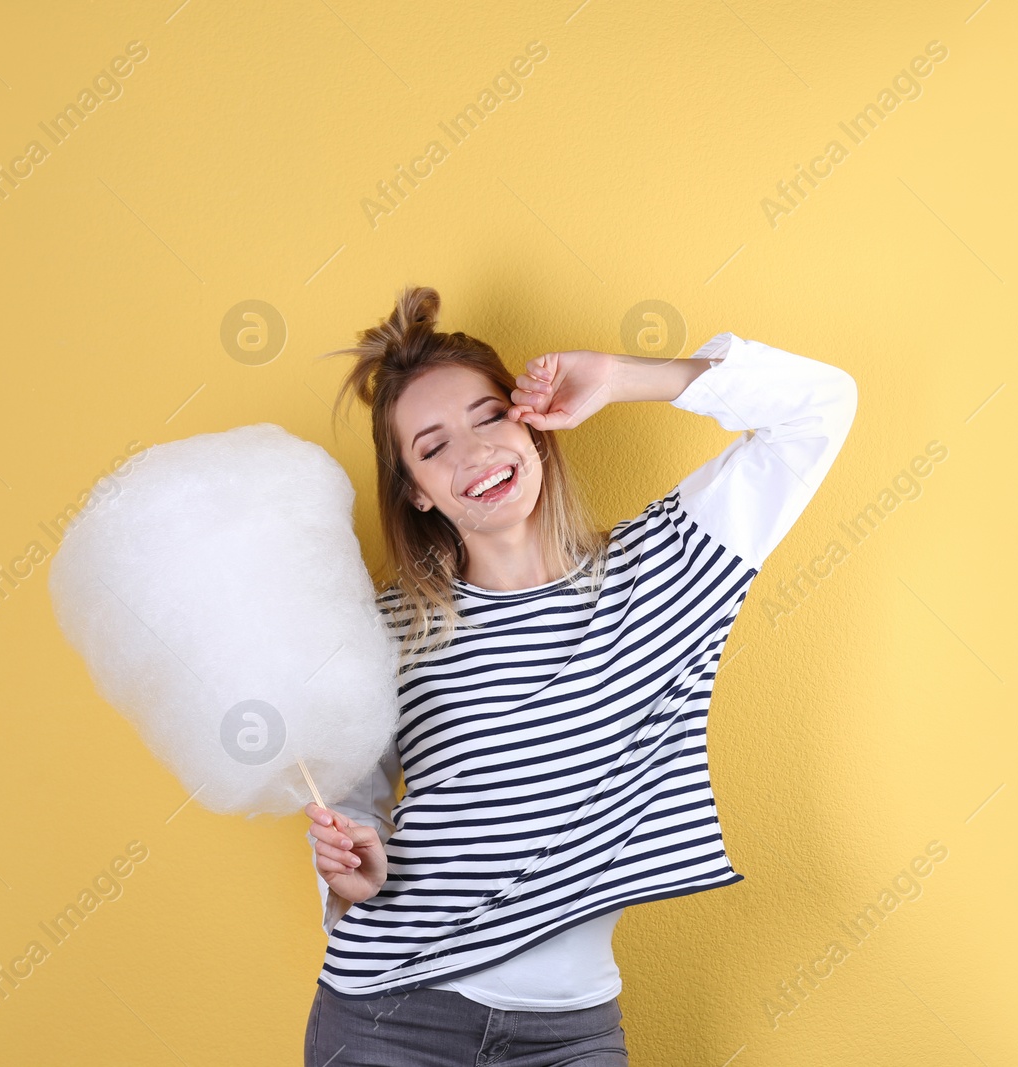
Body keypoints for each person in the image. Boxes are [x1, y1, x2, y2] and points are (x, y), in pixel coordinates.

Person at [301, 285, 858, 1065]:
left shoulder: (670, 567)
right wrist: (353, 871)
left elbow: (821, 405)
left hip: (570, 1033)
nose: (471, 453)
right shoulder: (388, 627)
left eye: (488, 416)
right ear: (417, 494)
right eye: (431, 448)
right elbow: (354, 813)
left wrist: (625, 377)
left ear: (533, 423)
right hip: (388, 1019)